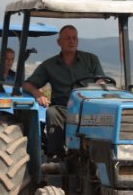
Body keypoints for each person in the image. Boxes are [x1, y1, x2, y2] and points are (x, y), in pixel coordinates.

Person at [23, 25, 105, 158]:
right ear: (59, 42)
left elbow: (101, 80)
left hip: (88, 107)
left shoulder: (91, 60)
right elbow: (27, 84)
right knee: (52, 112)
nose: (71, 41)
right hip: (63, 108)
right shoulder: (49, 65)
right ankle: (56, 157)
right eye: (67, 38)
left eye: (74, 38)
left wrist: (100, 85)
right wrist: (37, 93)